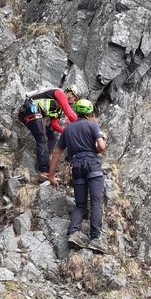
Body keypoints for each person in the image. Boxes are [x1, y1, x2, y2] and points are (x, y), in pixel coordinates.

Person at [47, 99, 107, 253]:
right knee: (96, 201)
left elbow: (57, 154)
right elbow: (101, 146)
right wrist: (95, 150)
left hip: (76, 166)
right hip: (92, 165)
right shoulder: (92, 125)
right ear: (89, 112)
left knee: (80, 205)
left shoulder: (67, 130)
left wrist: (51, 175)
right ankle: (95, 238)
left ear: (77, 112)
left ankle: (73, 233)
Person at [18, 85, 80, 176]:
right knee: (42, 139)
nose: (74, 102)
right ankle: (44, 171)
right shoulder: (60, 93)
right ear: (70, 94)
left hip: (33, 111)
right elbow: (70, 114)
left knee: (52, 137)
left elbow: (54, 124)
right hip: (31, 107)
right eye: (75, 99)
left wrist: (66, 131)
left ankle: (47, 159)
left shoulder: (58, 109)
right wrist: (82, 123)